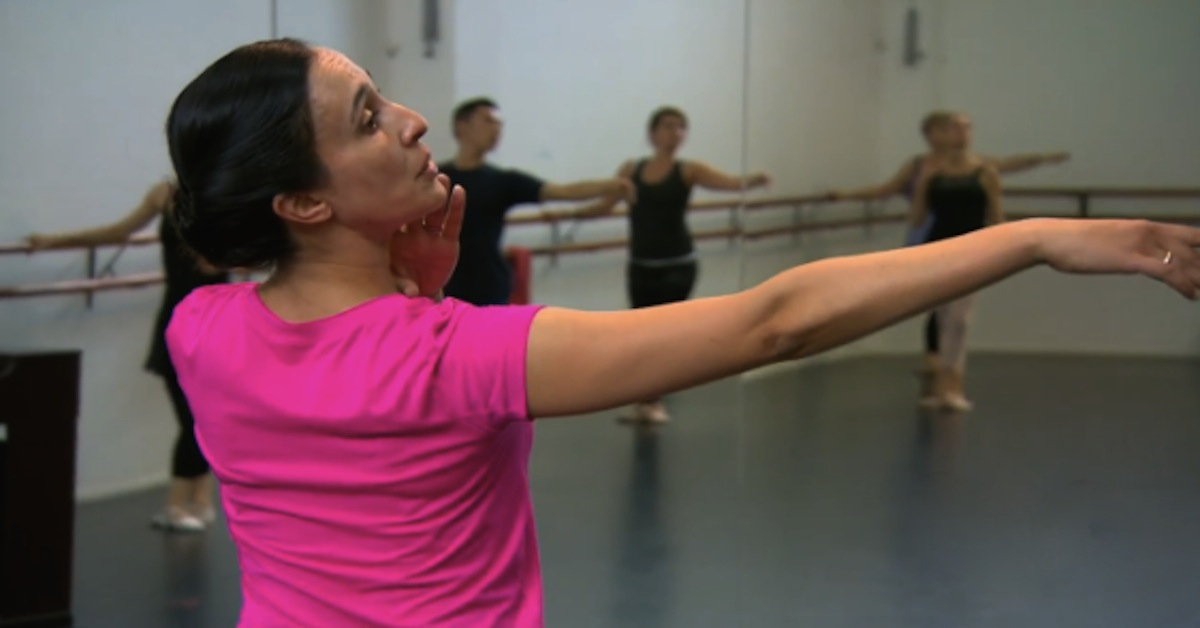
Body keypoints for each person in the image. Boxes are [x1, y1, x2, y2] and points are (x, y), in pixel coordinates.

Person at [164, 38, 1199, 627]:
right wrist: (1030, 243)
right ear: (301, 203)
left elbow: (336, 380)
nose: (412, 121)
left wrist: (415, 285)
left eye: (382, 94)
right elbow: (776, 322)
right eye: (364, 118)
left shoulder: (203, 329)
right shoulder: (455, 357)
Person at [26, 181, 227, 532]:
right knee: (194, 419)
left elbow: (221, 264)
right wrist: (53, 242)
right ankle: (177, 503)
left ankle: (200, 499)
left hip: (219, 323)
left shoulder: (223, 191)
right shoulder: (165, 194)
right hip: (182, 321)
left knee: (210, 418)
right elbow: (118, 232)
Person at [831, 111, 1071, 375]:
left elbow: (1005, 167)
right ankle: (939, 361)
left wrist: (1043, 160)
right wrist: (846, 196)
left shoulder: (976, 165)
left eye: (954, 129)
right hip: (928, 234)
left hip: (965, 236)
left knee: (955, 309)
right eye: (942, 130)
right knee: (934, 302)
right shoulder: (921, 165)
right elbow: (888, 189)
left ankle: (945, 368)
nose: (948, 135)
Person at [577, 106, 770, 422]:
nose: (675, 132)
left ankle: (654, 400)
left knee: (663, 335)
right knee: (638, 335)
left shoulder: (688, 170)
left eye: (681, 127)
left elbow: (728, 183)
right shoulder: (631, 170)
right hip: (641, 264)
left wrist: (755, 180)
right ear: (652, 133)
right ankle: (645, 401)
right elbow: (607, 203)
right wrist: (572, 215)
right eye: (668, 126)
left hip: (677, 265)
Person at [439, 98, 634, 306]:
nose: (496, 129)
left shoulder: (503, 181)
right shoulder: (436, 178)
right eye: (488, 121)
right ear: (462, 126)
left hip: (490, 288)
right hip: (445, 287)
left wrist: (615, 185)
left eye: (499, 123)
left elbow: (564, 191)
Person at [908, 114, 1006, 411]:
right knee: (942, 318)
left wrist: (999, 252)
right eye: (954, 128)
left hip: (972, 251)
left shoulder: (985, 172)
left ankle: (954, 387)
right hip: (938, 249)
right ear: (942, 134)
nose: (960, 133)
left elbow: (997, 218)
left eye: (966, 127)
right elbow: (918, 218)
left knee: (960, 320)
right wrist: (921, 187)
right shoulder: (931, 172)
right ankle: (941, 389)